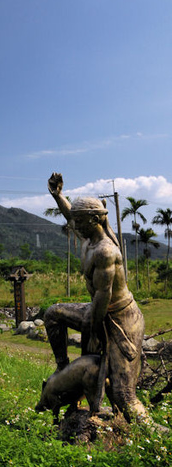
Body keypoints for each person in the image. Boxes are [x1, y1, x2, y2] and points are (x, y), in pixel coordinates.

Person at [44, 172, 147, 422]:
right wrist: (58, 196)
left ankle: (155, 436)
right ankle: (62, 366)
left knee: (124, 396)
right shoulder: (89, 237)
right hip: (98, 309)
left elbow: (102, 300)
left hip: (121, 320)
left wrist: (91, 340)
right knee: (53, 315)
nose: (74, 225)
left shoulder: (105, 252)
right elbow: (71, 215)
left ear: (94, 220)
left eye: (79, 222)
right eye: (75, 221)